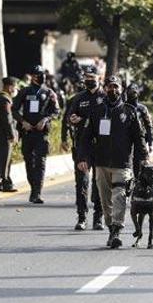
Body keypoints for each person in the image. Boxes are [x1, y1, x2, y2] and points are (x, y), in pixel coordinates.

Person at [77, 76, 148, 249]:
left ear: (121, 89)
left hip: (122, 164)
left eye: (116, 87)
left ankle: (117, 229)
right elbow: (85, 138)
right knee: (105, 200)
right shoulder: (96, 111)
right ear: (105, 88)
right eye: (109, 87)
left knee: (119, 196)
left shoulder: (129, 111)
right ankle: (111, 227)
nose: (113, 90)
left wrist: (143, 158)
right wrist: (82, 158)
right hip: (100, 163)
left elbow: (139, 139)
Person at [61, 66, 104, 229]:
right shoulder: (78, 98)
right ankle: (81, 217)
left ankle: (98, 218)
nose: (89, 80)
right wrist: (73, 119)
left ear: (99, 78)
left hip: (101, 146)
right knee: (82, 183)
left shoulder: (106, 96)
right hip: (82, 145)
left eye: (92, 77)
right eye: (86, 77)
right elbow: (70, 118)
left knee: (99, 183)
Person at [12, 65, 60, 204]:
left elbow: (56, 111)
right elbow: (14, 110)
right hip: (27, 132)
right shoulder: (24, 92)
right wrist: (23, 122)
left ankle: (36, 193)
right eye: (39, 74)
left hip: (41, 133)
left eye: (43, 74)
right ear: (32, 76)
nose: (42, 76)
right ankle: (34, 188)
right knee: (29, 161)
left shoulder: (49, 92)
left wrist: (45, 119)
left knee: (40, 162)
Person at [0, 77, 18, 193]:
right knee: (5, 159)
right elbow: (7, 119)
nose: (16, 89)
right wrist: (12, 134)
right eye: (15, 87)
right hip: (4, 135)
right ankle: (5, 182)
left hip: (0, 134)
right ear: (9, 87)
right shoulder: (4, 100)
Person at [126, 83, 153, 178]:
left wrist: (150, 143)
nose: (132, 94)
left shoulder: (142, 109)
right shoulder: (122, 107)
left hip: (140, 141)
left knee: (139, 167)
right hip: (126, 141)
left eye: (134, 92)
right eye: (130, 92)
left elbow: (148, 126)